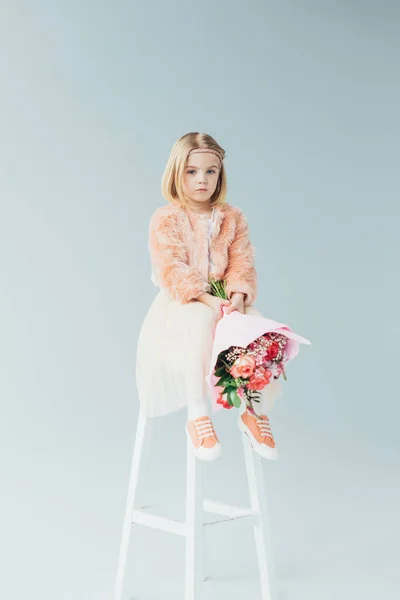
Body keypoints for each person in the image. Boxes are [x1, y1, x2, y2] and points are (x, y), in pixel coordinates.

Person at [135, 132, 279, 461]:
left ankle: (253, 411)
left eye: (210, 171)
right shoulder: (167, 218)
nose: (202, 179)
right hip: (183, 305)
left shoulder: (232, 218)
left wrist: (238, 297)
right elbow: (171, 267)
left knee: (256, 326)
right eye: (192, 171)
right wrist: (209, 299)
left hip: (223, 300)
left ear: (220, 175)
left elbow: (241, 261)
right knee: (201, 320)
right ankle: (197, 413)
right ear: (177, 173)